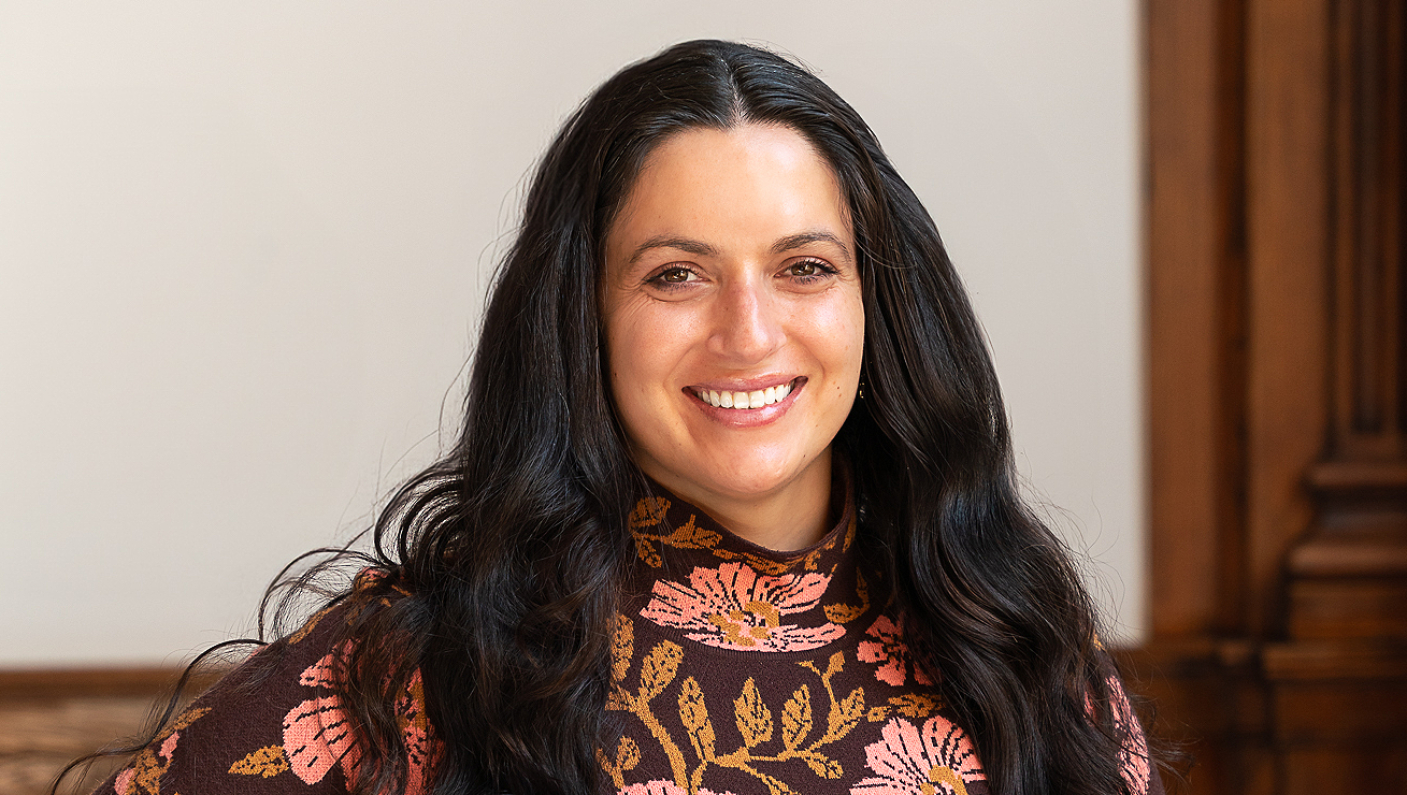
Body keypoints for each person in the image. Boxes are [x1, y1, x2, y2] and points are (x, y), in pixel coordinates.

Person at [75, 39, 1162, 795]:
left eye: (803, 268)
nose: (750, 333)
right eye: (676, 275)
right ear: (583, 319)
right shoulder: (423, 661)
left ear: (876, 302)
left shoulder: (1012, 645)